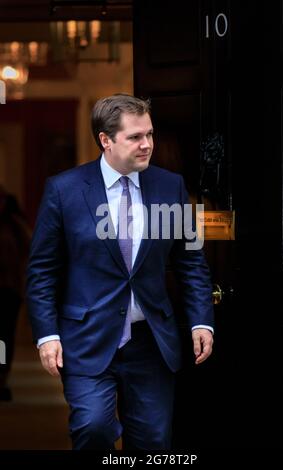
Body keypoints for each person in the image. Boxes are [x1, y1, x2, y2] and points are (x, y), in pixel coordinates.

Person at [26, 94, 214, 450]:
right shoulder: (64, 190)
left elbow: (190, 261)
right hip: (87, 338)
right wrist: (47, 334)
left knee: (154, 442)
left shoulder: (170, 186)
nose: (147, 144)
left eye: (150, 134)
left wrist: (201, 320)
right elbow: (41, 271)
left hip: (151, 342)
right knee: (93, 428)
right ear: (106, 140)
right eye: (135, 137)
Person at [0, 187, 31, 401]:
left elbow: (30, 250)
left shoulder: (14, 227)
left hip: (8, 292)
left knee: (3, 338)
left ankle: (1, 377)